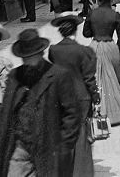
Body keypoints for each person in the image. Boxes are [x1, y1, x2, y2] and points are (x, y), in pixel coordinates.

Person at [0, 28, 83, 177]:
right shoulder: (15, 76)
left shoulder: (58, 75)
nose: (27, 61)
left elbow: (72, 114)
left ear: (40, 53)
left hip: (49, 146)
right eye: (24, 57)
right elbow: (5, 113)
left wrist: (63, 146)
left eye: (30, 57)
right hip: (20, 145)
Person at [48, 12, 98, 177]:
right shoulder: (84, 51)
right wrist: (96, 97)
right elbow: (89, 78)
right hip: (81, 96)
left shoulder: (53, 50)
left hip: (59, 96)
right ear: (75, 30)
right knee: (81, 135)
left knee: (62, 132)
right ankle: (80, 171)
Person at [83, 0, 120, 126]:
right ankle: (114, 110)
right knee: (115, 76)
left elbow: (86, 33)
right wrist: (116, 50)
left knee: (95, 77)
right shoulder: (115, 15)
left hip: (95, 45)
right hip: (110, 45)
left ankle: (97, 109)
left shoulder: (92, 13)